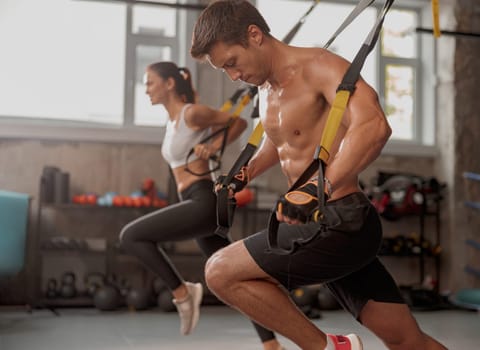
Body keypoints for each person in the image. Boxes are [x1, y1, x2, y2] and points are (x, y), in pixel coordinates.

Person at [190, 1, 448, 350]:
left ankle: (329, 348)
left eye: (232, 63)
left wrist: (317, 188)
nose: (234, 76)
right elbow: (280, 138)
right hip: (315, 224)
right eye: (225, 71)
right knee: (406, 341)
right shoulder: (267, 88)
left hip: (341, 221)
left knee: (219, 271)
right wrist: (242, 175)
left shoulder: (320, 66)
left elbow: (373, 125)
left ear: (254, 35)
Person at [119, 61, 285, 350]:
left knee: (131, 236)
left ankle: (183, 293)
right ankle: (271, 345)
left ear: (170, 83)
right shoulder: (172, 122)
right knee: (236, 281)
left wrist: (214, 148)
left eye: (150, 82)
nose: (146, 89)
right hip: (193, 203)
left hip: (203, 201)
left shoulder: (191, 113)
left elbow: (239, 123)